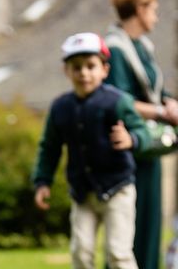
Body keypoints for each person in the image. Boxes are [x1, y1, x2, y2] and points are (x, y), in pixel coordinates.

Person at [32, 32, 151, 269]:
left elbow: (143, 131)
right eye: (77, 67)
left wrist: (132, 139)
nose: (84, 73)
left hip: (118, 189)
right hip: (82, 193)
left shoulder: (118, 101)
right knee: (81, 251)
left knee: (118, 253)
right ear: (66, 71)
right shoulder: (60, 108)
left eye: (90, 66)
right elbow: (50, 147)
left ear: (104, 70)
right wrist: (42, 181)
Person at [104, 0, 178, 269]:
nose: (156, 17)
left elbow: (154, 90)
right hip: (129, 148)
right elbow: (120, 100)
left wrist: (170, 102)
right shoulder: (115, 49)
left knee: (150, 221)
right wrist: (162, 112)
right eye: (154, 10)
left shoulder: (143, 47)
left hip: (149, 148)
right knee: (128, 226)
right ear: (139, 9)